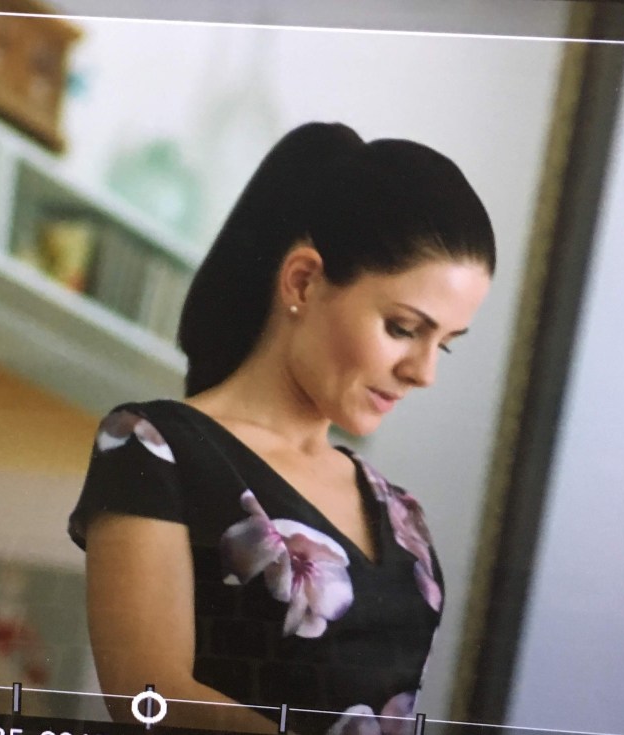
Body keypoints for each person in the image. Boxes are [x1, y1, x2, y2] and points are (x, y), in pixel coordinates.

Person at [68, 122, 494, 734]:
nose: (423, 372)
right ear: (303, 281)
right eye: (403, 328)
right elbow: (148, 697)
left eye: (445, 344)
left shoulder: (401, 514)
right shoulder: (153, 449)